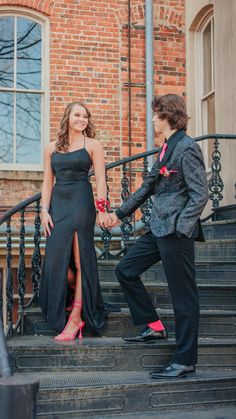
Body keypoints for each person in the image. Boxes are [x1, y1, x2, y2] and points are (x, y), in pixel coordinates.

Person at [109, 94, 209, 378]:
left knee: (184, 297)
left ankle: (185, 360)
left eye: (156, 115)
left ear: (169, 116)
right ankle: (153, 326)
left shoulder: (187, 148)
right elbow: (148, 186)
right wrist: (118, 214)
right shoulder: (166, 148)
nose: (152, 119)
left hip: (176, 231)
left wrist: (181, 226)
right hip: (157, 227)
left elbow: (200, 194)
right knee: (125, 270)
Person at [39, 101, 110, 341]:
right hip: (58, 206)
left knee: (81, 260)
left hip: (81, 202)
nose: (81, 119)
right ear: (67, 117)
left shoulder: (93, 145)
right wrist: (44, 210)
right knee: (56, 261)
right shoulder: (51, 148)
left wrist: (102, 210)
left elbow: (101, 181)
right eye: (77, 114)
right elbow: (47, 182)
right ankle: (72, 295)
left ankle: (77, 315)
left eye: (85, 116)